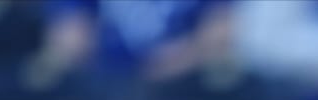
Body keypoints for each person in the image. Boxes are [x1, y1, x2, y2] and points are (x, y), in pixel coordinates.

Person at [39, 0, 234, 79]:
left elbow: (219, 35)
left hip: (184, 84)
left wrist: (181, 59)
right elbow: (70, 39)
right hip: (106, 82)